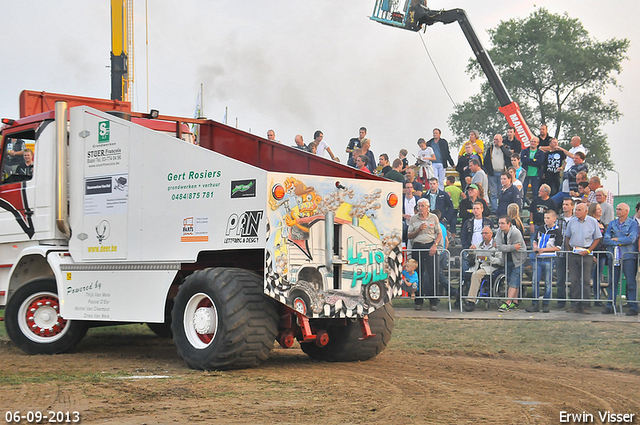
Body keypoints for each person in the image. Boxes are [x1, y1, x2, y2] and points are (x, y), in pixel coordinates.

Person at [564, 203, 602, 314]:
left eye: (579, 210)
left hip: (587, 254)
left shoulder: (592, 222)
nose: (577, 212)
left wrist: (589, 251)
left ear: (585, 211)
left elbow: (597, 238)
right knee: (574, 280)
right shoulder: (571, 221)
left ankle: (586, 305)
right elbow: (567, 237)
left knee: (585, 280)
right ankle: (575, 304)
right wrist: (569, 250)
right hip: (574, 253)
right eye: (576, 209)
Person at [602, 203, 639, 316]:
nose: (617, 211)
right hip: (614, 256)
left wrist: (617, 239)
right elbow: (606, 239)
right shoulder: (612, 223)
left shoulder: (633, 224)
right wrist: (623, 240)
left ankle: (633, 305)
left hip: (628, 257)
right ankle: (611, 305)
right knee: (612, 282)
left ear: (627, 211)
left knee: (630, 282)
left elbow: (632, 239)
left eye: (620, 209)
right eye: (617, 209)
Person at [408, 198, 442, 311]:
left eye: (422, 206)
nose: (420, 208)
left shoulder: (434, 217)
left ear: (428, 207)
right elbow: (409, 235)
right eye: (419, 206)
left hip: (430, 246)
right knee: (417, 274)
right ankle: (418, 300)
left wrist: (435, 245)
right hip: (417, 246)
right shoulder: (413, 218)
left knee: (433, 274)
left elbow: (439, 234)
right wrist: (418, 230)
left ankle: (433, 301)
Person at [526, 210, 562, 313]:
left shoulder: (557, 231)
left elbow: (558, 247)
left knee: (547, 282)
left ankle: (546, 303)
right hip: (539, 258)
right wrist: (535, 246)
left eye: (548, 218)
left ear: (554, 219)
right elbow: (535, 240)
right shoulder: (541, 228)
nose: (546, 220)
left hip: (549, 258)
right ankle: (535, 303)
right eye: (545, 218)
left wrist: (544, 250)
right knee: (535, 281)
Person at [464, 226, 502, 312]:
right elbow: (471, 259)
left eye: (486, 233)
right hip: (477, 266)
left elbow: (500, 261)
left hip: (490, 267)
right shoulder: (478, 245)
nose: (484, 235)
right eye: (482, 233)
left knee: (476, 274)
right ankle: (458, 297)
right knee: (465, 273)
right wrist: (470, 252)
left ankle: (471, 301)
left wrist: (486, 258)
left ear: (491, 234)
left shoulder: (496, 246)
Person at [496, 215, 527, 311]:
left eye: (502, 223)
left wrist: (508, 247)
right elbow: (499, 246)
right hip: (507, 259)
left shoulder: (516, 232)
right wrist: (511, 247)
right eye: (499, 223)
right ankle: (515, 302)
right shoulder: (499, 232)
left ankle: (507, 302)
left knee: (514, 281)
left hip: (518, 260)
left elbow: (517, 247)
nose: (500, 225)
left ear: (509, 224)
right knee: (511, 281)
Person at [555, 198, 576, 308]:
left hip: (573, 252)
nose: (564, 206)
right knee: (560, 279)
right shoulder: (558, 219)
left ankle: (574, 301)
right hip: (560, 252)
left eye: (567, 204)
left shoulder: (576, 219)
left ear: (572, 206)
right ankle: (561, 301)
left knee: (574, 278)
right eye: (563, 204)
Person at [484, 134, 512, 213]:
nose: (495, 141)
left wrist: (502, 147)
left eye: (497, 140)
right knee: (493, 193)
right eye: (495, 140)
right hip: (492, 173)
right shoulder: (490, 149)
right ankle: (494, 209)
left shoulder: (506, 147)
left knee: (501, 192)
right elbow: (486, 160)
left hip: (502, 173)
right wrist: (487, 171)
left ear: (501, 140)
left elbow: (509, 155)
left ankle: (501, 208)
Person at [587, 202, 607, 305]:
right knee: (590, 276)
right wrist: (591, 253)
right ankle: (587, 298)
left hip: (602, 253)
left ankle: (597, 298)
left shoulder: (602, 223)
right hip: (593, 252)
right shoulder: (590, 222)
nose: (600, 210)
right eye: (598, 209)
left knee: (598, 276)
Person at [520, 137, 544, 203]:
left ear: (537, 143)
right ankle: (521, 207)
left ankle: (535, 208)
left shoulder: (540, 153)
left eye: (534, 142)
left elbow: (540, 162)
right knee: (523, 192)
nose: (533, 143)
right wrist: (534, 160)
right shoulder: (525, 151)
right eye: (531, 141)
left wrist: (529, 160)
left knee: (536, 192)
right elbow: (523, 160)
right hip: (525, 174)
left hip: (536, 175)